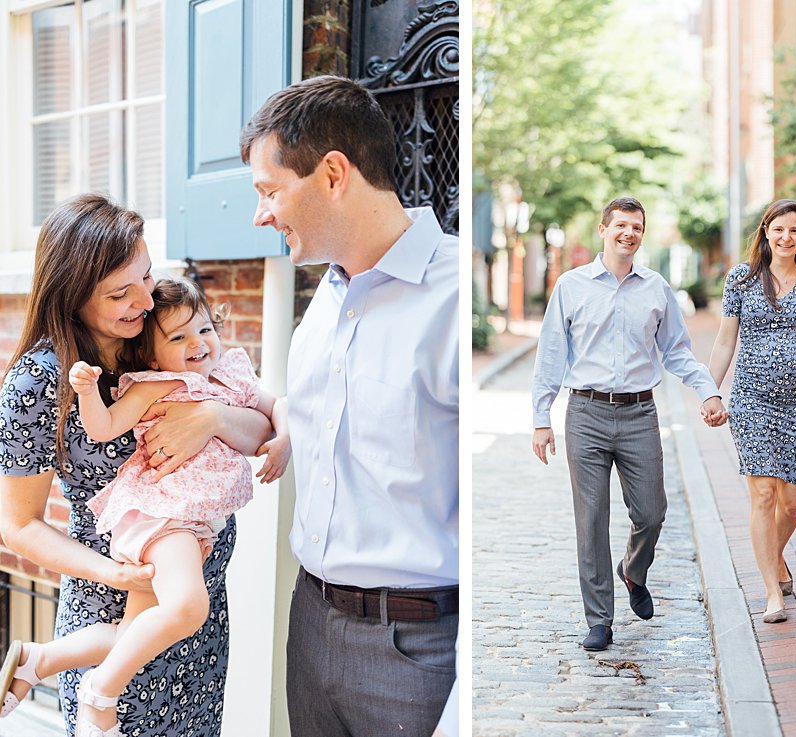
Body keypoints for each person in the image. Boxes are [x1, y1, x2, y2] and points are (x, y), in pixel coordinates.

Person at [0, 194, 275, 736]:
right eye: (120, 294)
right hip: (115, 606)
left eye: (145, 277)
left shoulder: (164, 332)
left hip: (199, 611)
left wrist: (211, 417)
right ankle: (47, 662)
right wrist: (113, 572)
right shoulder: (38, 383)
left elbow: (258, 427)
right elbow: (19, 525)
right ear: (72, 296)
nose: (143, 300)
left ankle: (35, 662)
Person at [241, 75, 459, 736]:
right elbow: (315, 415)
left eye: (270, 190)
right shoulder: (328, 296)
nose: (261, 215)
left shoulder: (451, 299)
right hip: (311, 625)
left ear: (334, 174)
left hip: (416, 654)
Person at [531, 196, 728, 652]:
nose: (629, 233)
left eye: (636, 226)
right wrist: (541, 417)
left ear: (642, 233)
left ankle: (633, 571)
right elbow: (551, 354)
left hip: (640, 413)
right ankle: (599, 619)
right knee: (591, 520)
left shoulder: (656, 289)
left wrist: (708, 390)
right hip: (586, 413)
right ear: (603, 229)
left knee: (651, 512)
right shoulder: (571, 286)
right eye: (620, 225)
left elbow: (677, 351)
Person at [707, 199, 796, 623]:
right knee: (763, 495)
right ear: (766, 232)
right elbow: (726, 341)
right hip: (751, 401)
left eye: (794, 231)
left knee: (792, 505)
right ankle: (770, 592)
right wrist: (710, 391)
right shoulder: (741, 281)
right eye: (778, 229)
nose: (786, 237)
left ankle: (774, 557)